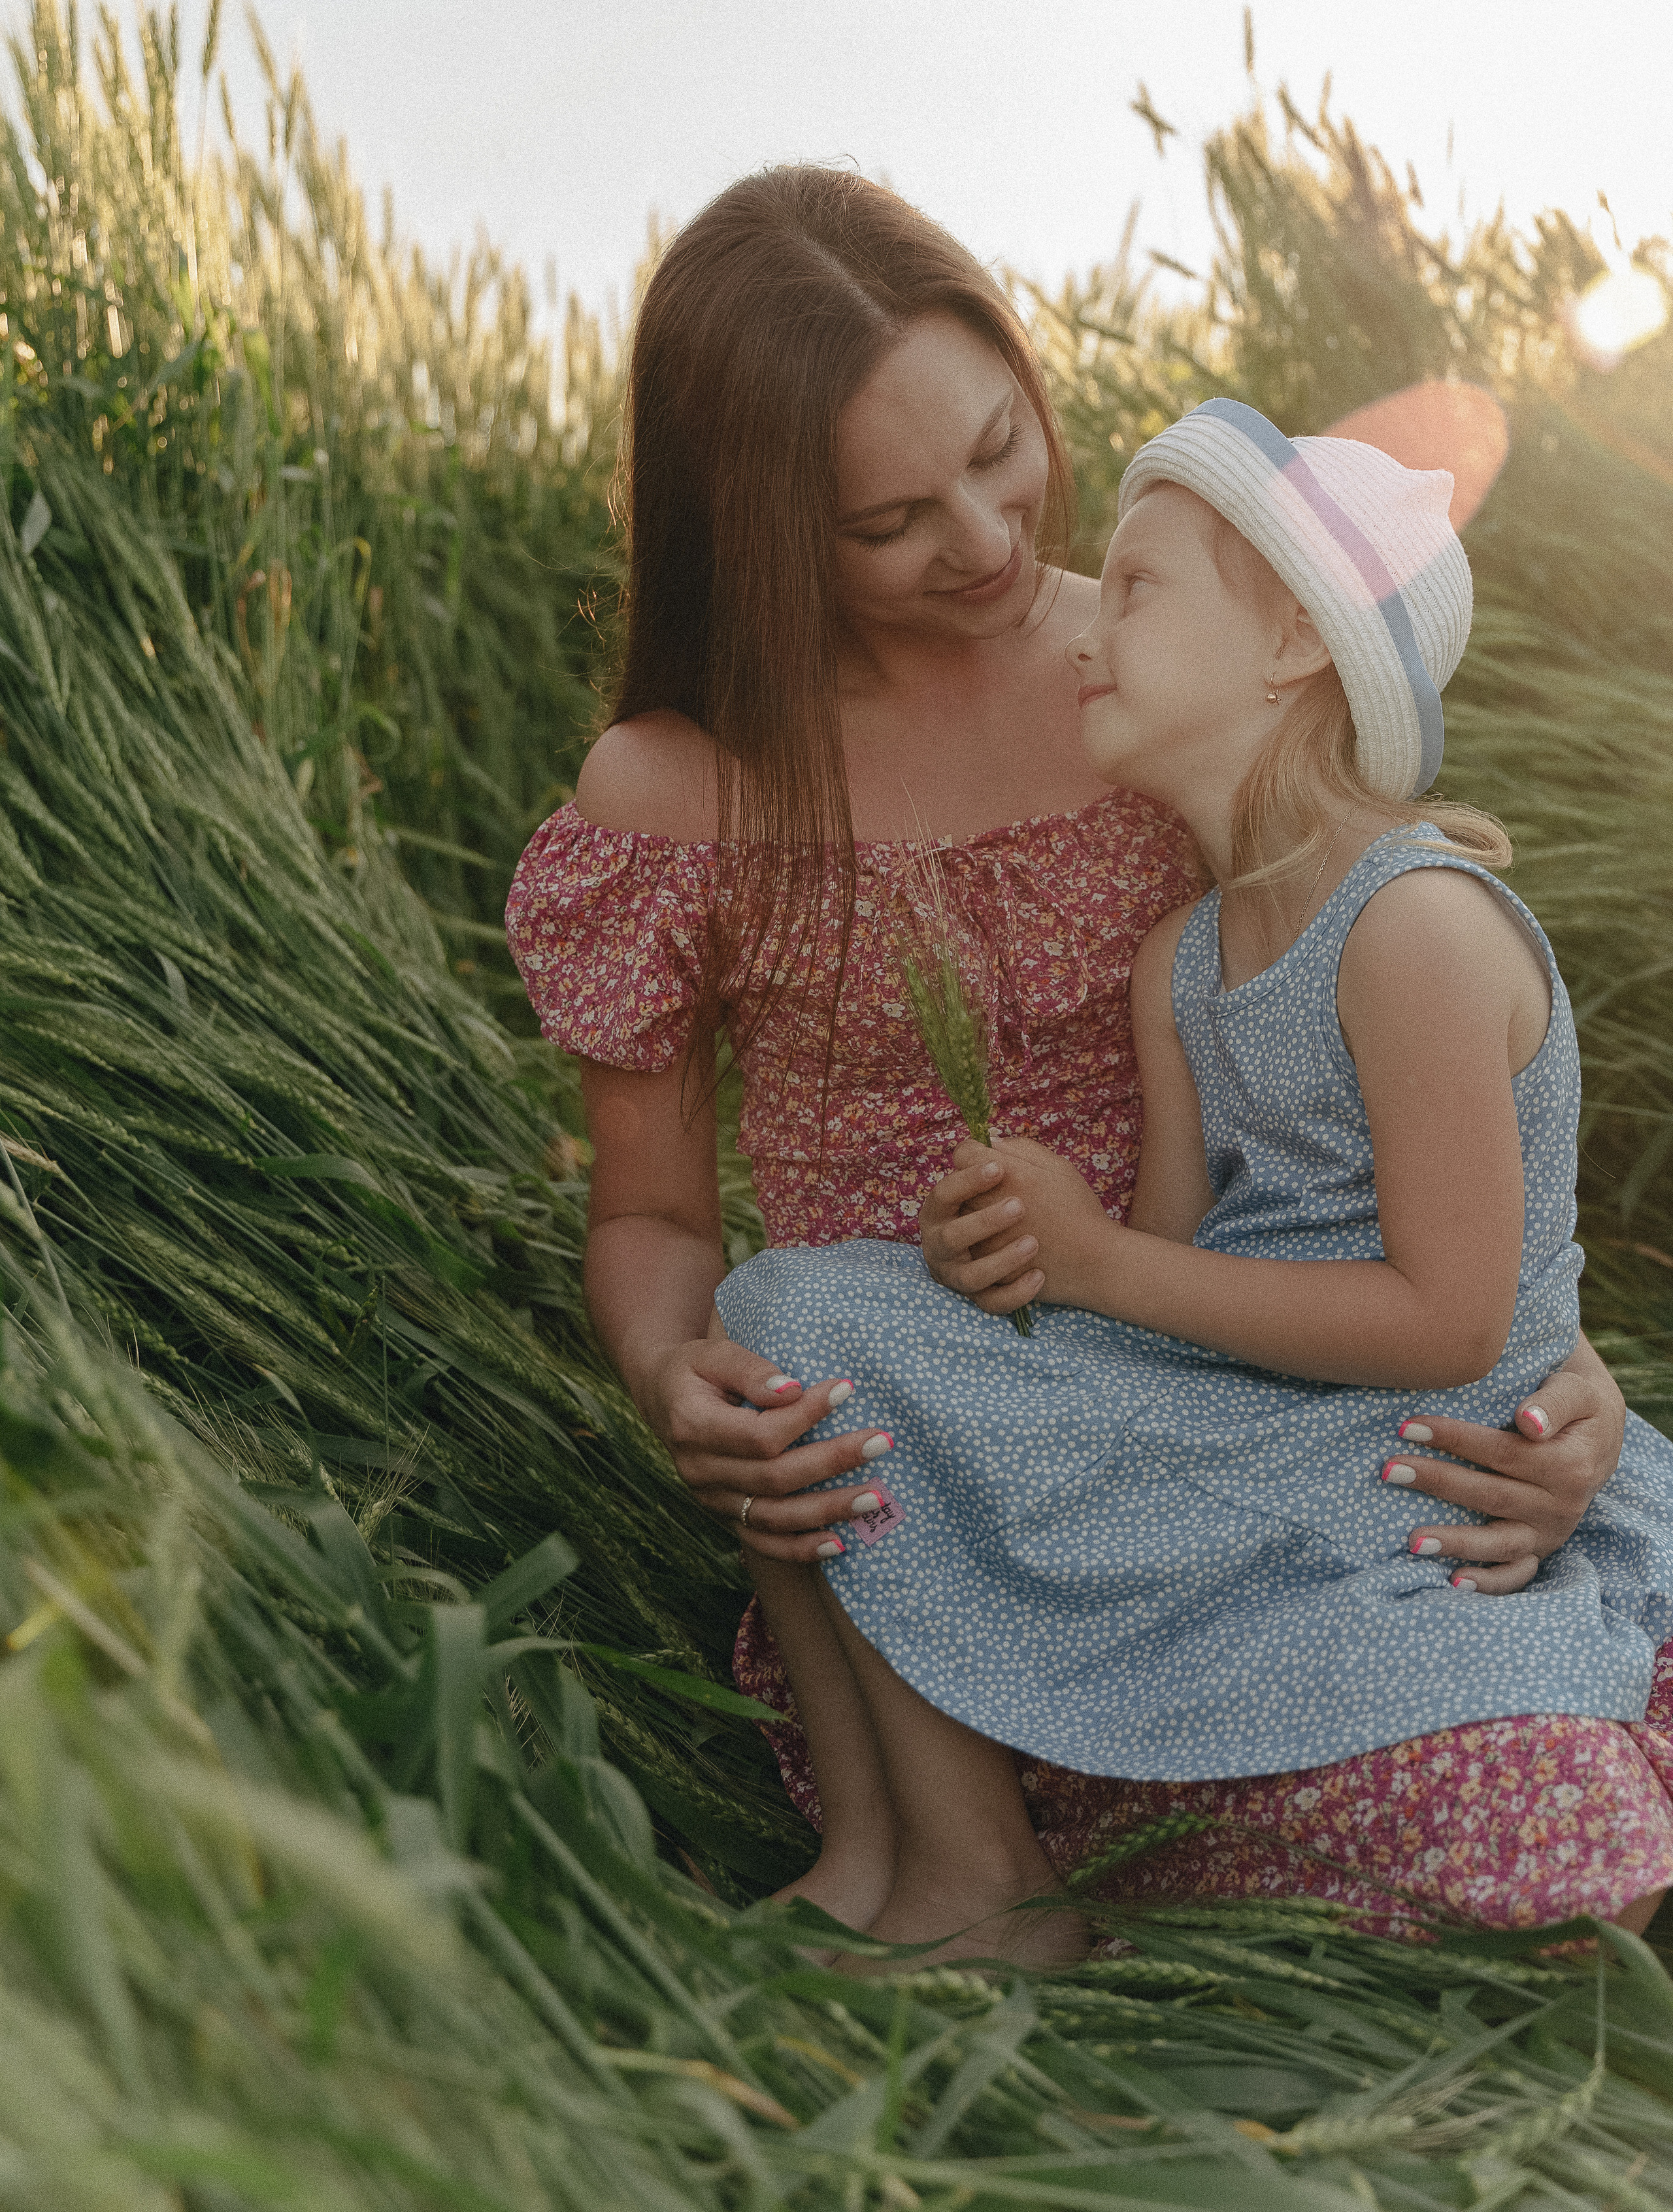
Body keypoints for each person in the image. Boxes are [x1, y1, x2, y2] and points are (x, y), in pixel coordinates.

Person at [505, 165, 1633, 1951]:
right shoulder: (674, 796)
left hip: (1237, 1403)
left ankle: (1041, 1871)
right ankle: (949, 1863)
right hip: (899, 1478)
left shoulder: (1161, 677)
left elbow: (1400, 1109)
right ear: (764, 531)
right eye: (887, 519)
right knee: (798, 1323)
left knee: (1469, 1722)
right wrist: (673, 1374)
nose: (980, 534)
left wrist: (1565, 1374)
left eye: (999, 443)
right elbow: (650, 1214)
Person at [717, 398, 1673, 1962]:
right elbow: (1163, 1279)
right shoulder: (1182, 962)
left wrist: (1095, 1266)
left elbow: (1447, 1317)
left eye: (1142, 584)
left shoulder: (1411, 928)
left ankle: (1022, 1877)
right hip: (1255, 1417)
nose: (1091, 623)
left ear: (1293, 641)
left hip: (1410, 1454)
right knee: (786, 1313)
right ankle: (918, 1857)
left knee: (1530, 1805)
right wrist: (1018, 1253)